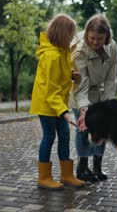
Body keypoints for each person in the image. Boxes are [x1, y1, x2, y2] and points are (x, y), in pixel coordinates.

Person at [30, 14, 85, 190]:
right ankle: (44, 177)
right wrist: (65, 112)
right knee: (49, 136)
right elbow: (50, 90)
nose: (72, 38)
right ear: (63, 34)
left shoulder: (62, 53)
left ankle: (67, 175)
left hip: (57, 103)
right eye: (70, 34)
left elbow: (59, 75)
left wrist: (70, 74)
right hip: (48, 105)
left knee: (65, 136)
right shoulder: (52, 56)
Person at [70, 14, 117, 182]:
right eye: (92, 38)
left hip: (99, 92)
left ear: (107, 36)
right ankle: (82, 167)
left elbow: (111, 79)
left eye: (100, 38)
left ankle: (97, 166)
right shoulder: (79, 50)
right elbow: (81, 84)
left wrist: (108, 105)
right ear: (86, 35)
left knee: (102, 127)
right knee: (83, 128)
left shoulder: (112, 47)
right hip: (79, 91)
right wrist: (84, 109)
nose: (96, 42)